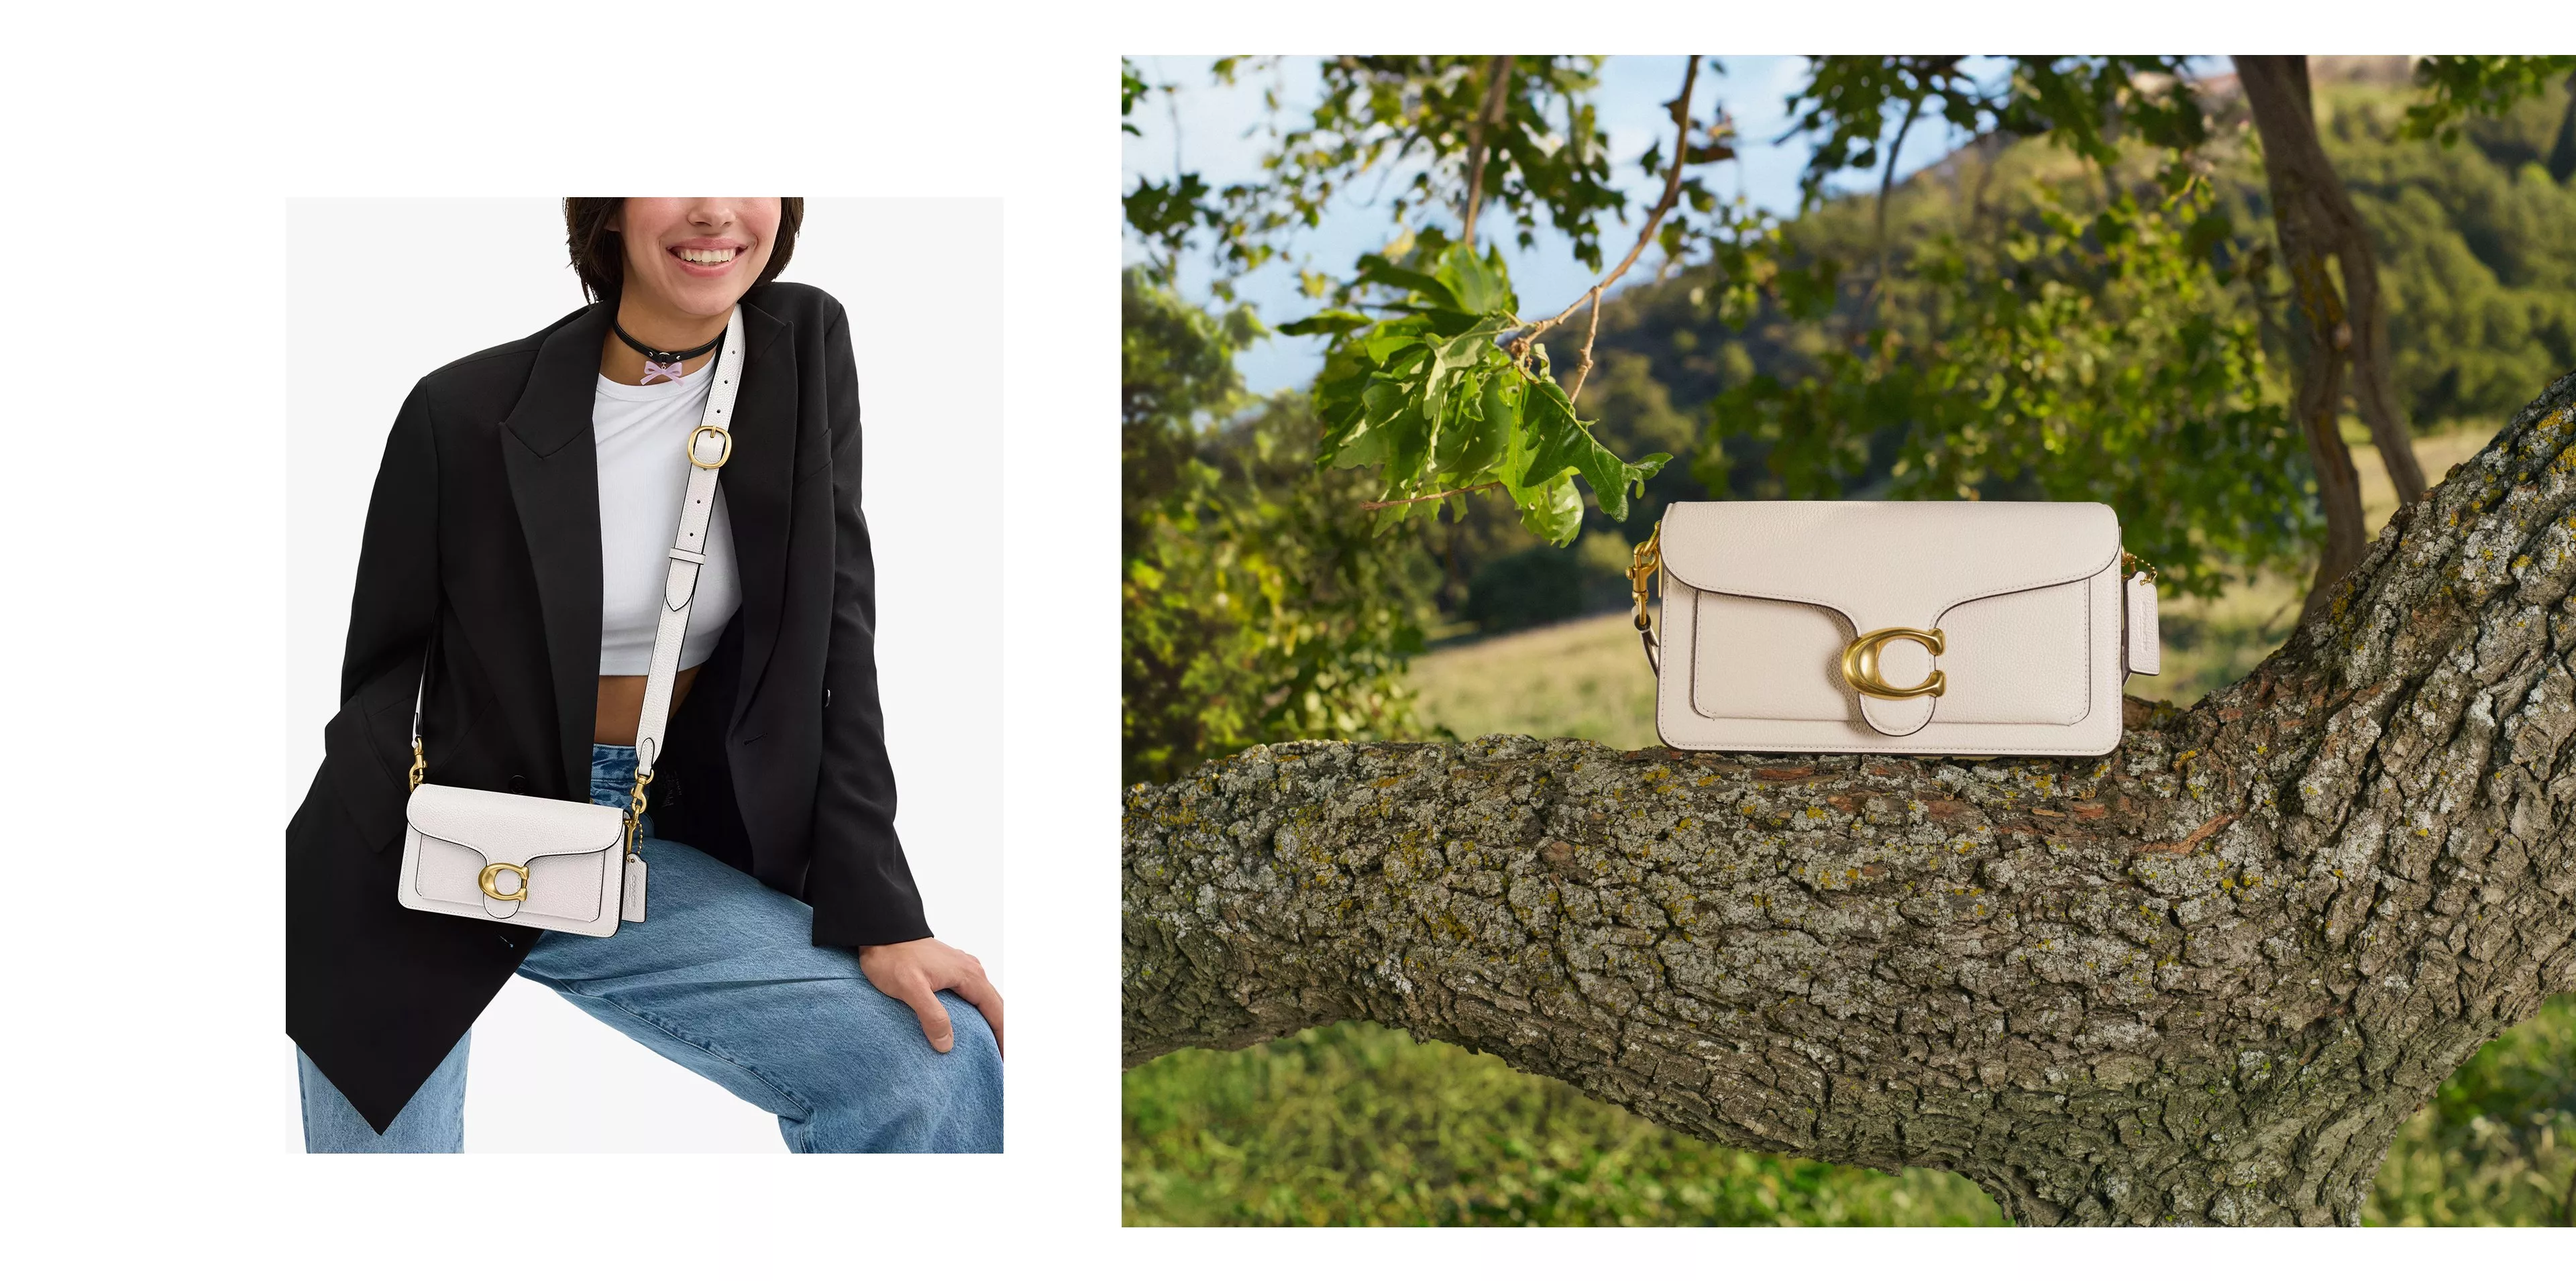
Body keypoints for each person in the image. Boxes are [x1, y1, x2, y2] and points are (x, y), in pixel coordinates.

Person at [286, 197, 1002, 1152]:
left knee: (928, 1063)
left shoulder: (799, 350)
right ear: (610, 209)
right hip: (433, 842)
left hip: (638, 835)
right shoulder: (459, 411)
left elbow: (841, 633)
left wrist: (884, 910)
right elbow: (380, 680)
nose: (714, 207)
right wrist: (380, 868)